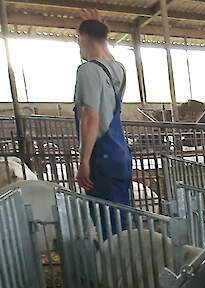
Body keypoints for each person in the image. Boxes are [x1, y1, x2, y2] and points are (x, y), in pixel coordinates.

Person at [75, 12, 132, 232]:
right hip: (119, 152)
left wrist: (84, 162)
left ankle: (116, 262)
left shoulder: (87, 70)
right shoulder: (118, 69)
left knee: (107, 220)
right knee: (122, 214)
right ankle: (128, 258)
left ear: (81, 38)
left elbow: (91, 118)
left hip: (101, 155)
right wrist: (100, 29)